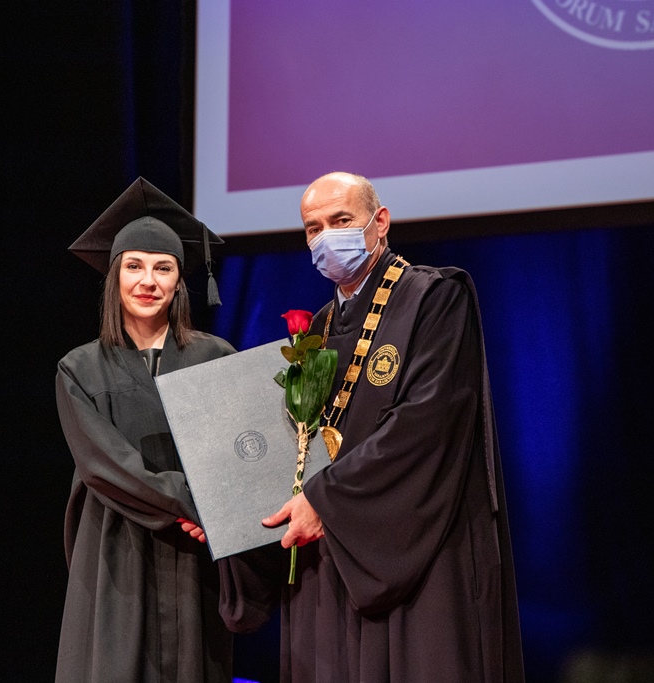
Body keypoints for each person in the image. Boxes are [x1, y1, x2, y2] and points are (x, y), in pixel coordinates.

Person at [220, 172, 525, 681]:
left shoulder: (434, 298)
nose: (326, 237)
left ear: (380, 222)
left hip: (421, 555)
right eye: (314, 228)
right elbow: (296, 448)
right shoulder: (317, 329)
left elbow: (425, 423)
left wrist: (325, 501)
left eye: (341, 220)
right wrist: (231, 516)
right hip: (329, 562)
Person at [54, 177, 236, 682]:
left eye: (163, 268)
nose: (148, 281)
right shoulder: (80, 368)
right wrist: (191, 501)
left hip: (193, 550)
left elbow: (237, 453)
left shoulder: (216, 358)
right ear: (114, 277)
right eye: (134, 266)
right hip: (115, 546)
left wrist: (220, 509)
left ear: (179, 281)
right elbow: (103, 465)